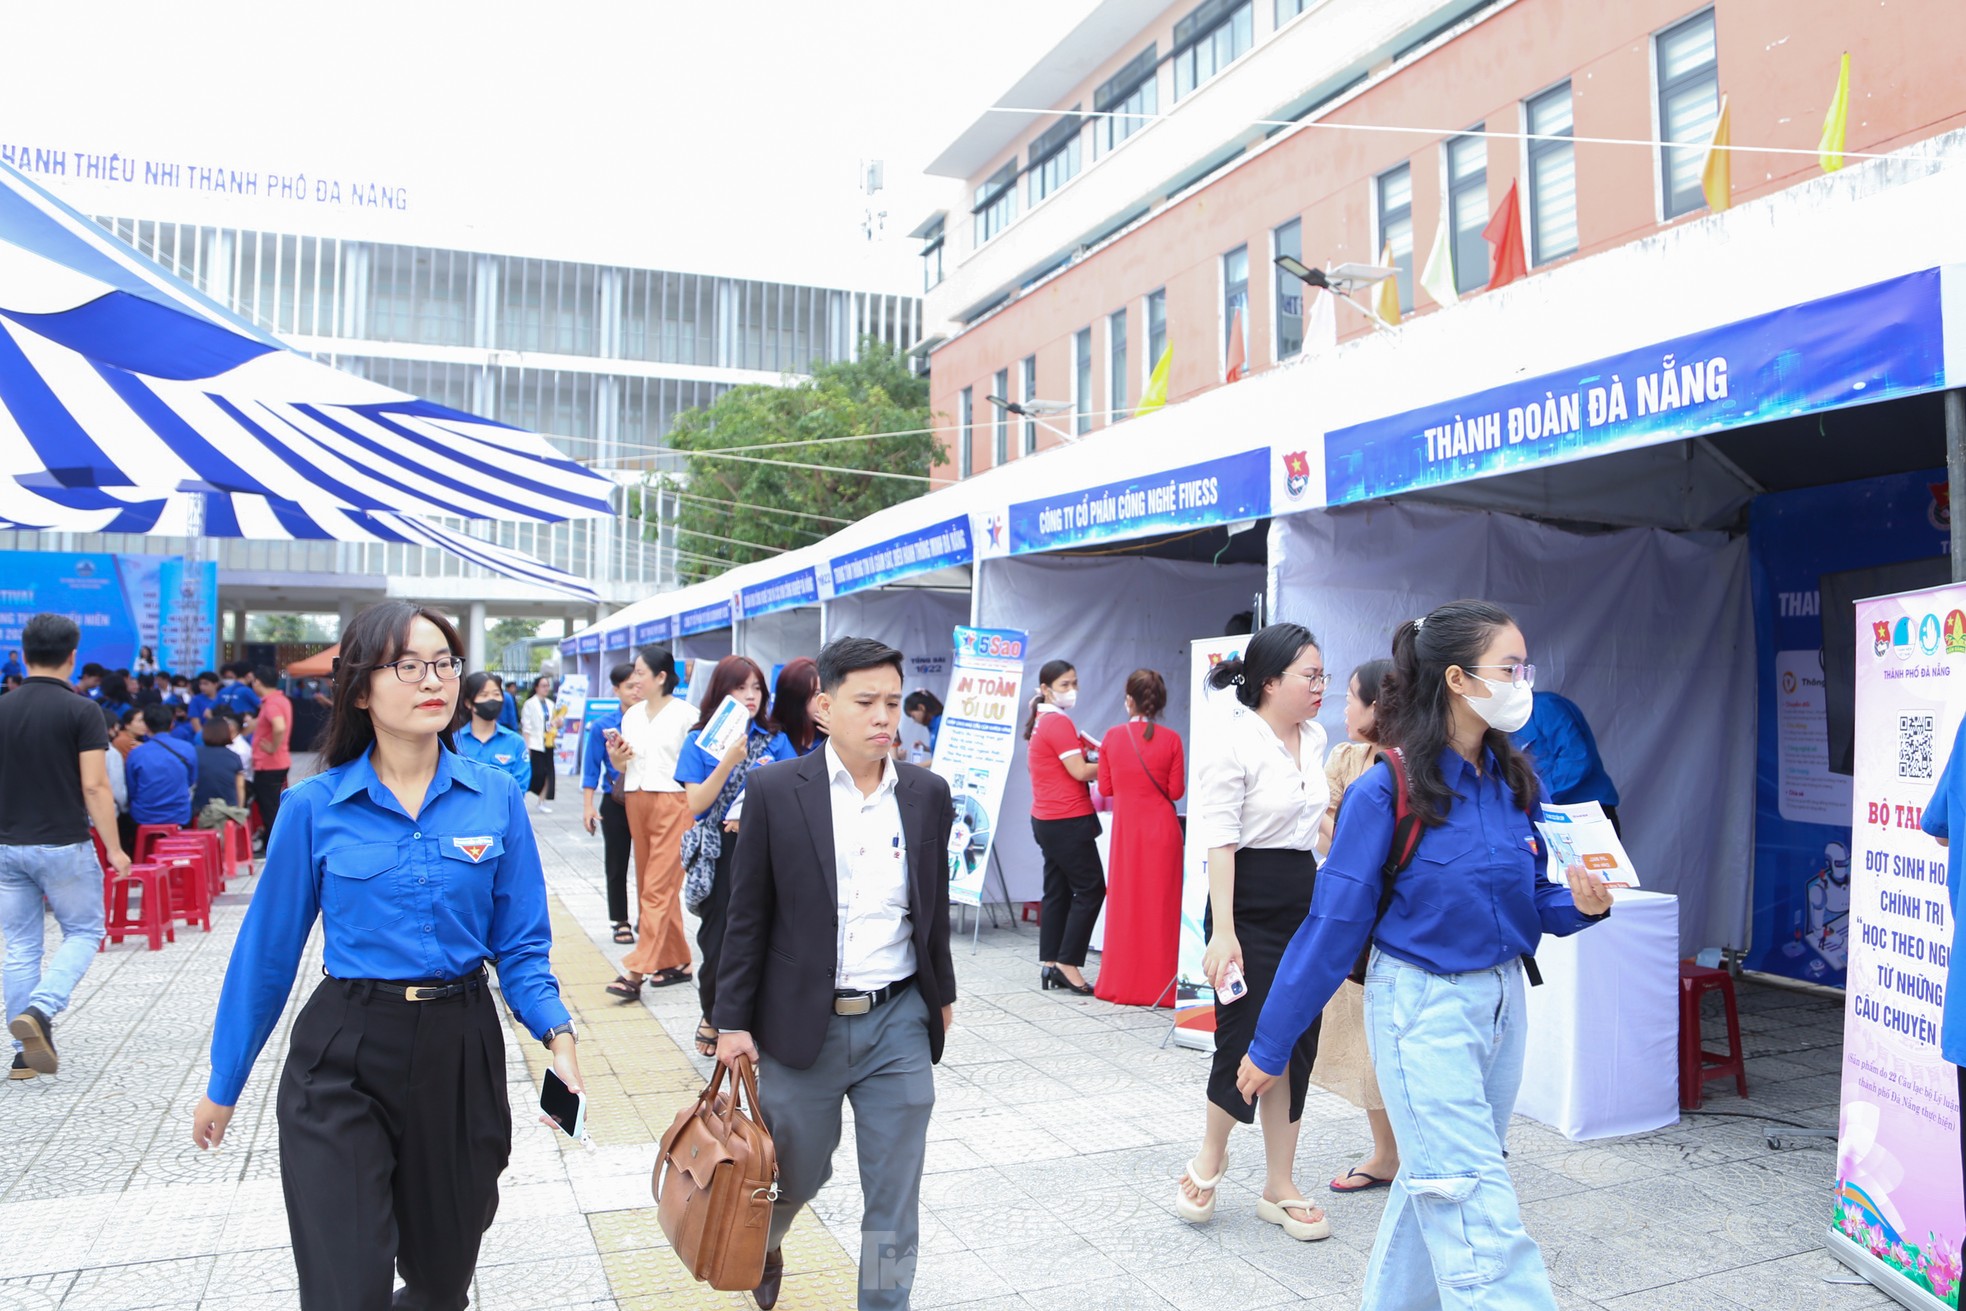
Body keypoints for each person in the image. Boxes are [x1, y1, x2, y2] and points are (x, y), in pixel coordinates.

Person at [189, 600, 581, 1308]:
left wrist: (557, 1031)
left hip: (461, 1048)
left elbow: (521, 945)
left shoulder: (495, 796)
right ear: (362, 687)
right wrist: (225, 1079)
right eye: (408, 664)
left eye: (444, 663)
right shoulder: (314, 805)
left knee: (439, 1281)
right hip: (344, 1048)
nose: (433, 680)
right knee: (348, 1285)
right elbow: (267, 953)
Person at [1235, 601, 1614, 1307]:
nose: (1523, 681)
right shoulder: (1387, 789)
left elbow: (1531, 902)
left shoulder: (1516, 782)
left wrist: (1583, 905)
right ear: (1460, 680)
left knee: (1437, 1180)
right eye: (1510, 667)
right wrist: (1271, 1041)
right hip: (1421, 1011)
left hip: (1502, 1006)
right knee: (1474, 1204)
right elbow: (1331, 925)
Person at [713, 636, 958, 1311]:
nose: (885, 717)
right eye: (865, 702)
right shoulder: (774, 790)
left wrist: (944, 994)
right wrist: (730, 1020)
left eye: (891, 702)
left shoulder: (927, 795)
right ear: (823, 706)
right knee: (796, 1168)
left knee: (893, 1195)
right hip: (800, 1025)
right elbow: (747, 915)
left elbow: (930, 908)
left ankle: (884, 1304)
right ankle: (767, 1238)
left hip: (897, 1020)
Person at [1176, 622, 1333, 1242]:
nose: (1320, 686)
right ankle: (1210, 1157)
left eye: (1323, 675)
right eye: (1310, 676)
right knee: (1243, 1037)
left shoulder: (1316, 738)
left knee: (1296, 1041)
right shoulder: (1233, 741)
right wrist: (1224, 932)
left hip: (1305, 903)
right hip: (1245, 909)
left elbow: (1312, 823)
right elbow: (1220, 841)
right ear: (1270, 682)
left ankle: (1280, 1184)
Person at [1, 614, 130, 1079]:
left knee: (19, 945)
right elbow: (95, 787)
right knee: (84, 932)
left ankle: (23, 1053)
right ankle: (40, 1010)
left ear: (24, 650)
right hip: (63, 845)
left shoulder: (3, 707)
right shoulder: (81, 711)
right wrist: (115, 849)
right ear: (73, 656)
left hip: (6, 845)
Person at [668, 656, 796, 1054]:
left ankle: (753, 1019)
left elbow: (795, 791)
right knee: (719, 938)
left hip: (767, 849)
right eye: (740, 688)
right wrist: (728, 762)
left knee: (769, 934)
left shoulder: (774, 738)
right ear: (721, 693)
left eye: (756, 688)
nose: (750, 696)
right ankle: (716, 1014)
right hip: (719, 852)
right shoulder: (698, 741)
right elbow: (696, 804)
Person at [1313, 658, 1402, 1194]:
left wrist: (1344, 825)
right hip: (1355, 920)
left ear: (1379, 706)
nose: (1342, 706)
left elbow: (1335, 827)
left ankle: (1407, 1153)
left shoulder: (1413, 763)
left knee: (1396, 1038)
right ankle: (1385, 1153)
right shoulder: (1346, 756)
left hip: (1398, 919)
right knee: (1362, 1035)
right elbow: (1319, 829)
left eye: (1352, 697)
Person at [605, 645, 698, 995]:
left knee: (658, 888)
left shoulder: (688, 715)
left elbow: (699, 765)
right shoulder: (631, 715)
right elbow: (622, 766)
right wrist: (617, 757)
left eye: (641, 673)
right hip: (636, 798)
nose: (635, 680)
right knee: (649, 885)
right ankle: (677, 960)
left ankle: (636, 970)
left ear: (661, 676)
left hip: (674, 801)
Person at [1093, 669, 1186, 1007]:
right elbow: (1176, 790)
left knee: (1126, 905)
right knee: (1162, 907)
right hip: (1163, 831)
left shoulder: (1112, 737)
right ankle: (1161, 985)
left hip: (1127, 832)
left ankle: (1124, 982)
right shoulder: (1172, 739)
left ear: (1128, 700)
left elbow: (1105, 788)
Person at [1023, 659, 1104, 995]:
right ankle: (1068, 963)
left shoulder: (1044, 721)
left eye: (1074, 683)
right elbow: (1080, 772)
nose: (1072, 691)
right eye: (1064, 685)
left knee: (1056, 891)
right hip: (1066, 820)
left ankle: (1051, 962)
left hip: (1048, 819)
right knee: (1091, 889)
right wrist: (1112, 761)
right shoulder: (1057, 723)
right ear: (1045, 689)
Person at [583, 663, 640, 944]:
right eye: (630, 686)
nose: (636, 691)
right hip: (615, 802)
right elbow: (591, 768)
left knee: (650, 864)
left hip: (647, 801)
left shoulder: (652, 722)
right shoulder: (603, 726)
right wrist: (587, 806)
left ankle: (649, 918)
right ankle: (620, 920)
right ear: (616, 690)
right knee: (617, 864)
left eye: (640, 685)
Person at [1512, 687, 1622, 834]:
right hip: (1545, 817)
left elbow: (1576, 759)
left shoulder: (1544, 705)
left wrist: (1535, 798)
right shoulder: (1497, 723)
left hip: (1584, 813)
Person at [455, 672, 531, 787]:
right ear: (468, 703)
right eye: (484, 695)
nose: (491, 699)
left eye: (496, 694)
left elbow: (520, 787)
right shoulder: (454, 741)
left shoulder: (516, 742)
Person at [128, 703, 196, 829]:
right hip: (179, 814)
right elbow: (191, 780)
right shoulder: (188, 748)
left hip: (144, 816)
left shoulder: (136, 753)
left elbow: (132, 789)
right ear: (172, 724)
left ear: (146, 726)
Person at [247, 665, 293, 832]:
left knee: (269, 808)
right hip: (277, 762)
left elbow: (279, 726)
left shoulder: (272, 703)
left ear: (257, 682)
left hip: (269, 764)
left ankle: (272, 844)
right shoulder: (280, 700)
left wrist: (273, 746)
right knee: (272, 805)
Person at [193, 718, 251, 830]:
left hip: (201, 809)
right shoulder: (234, 757)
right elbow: (240, 787)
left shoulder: (195, 753)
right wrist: (238, 810)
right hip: (228, 810)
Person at [772, 656, 827, 756]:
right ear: (796, 697)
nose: (823, 701)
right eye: (816, 694)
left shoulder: (829, 734)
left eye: (825, 693)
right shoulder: (773, 741)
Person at [521, 674, 558, 812]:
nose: (546, 688)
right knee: (536, 773)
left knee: (549, 773)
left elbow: (554, 722)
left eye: (547, 686)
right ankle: (523, 797)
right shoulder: (530, 704)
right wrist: (527, 745)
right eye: (543, 686)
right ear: (536, 687)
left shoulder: (551, 704)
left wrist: (557, 724)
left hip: (548, 742)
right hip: (535, 743)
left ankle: (542, 801)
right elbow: (526, 726)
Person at [897, 690, 942, 766]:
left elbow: (942, 757)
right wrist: (925, 748)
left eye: (913, 716)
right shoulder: (931, 725)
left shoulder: (940, 723)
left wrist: (916, 767)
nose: (914, 721)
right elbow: (939, 750)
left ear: (921, 707)